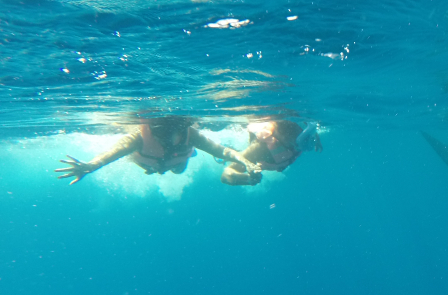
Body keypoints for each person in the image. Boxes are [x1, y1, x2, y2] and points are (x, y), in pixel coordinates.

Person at [55, 116, 261, 185]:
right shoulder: (138, 136)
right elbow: (113, 153)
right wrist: (90, 165)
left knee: (179, 169)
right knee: (173, 165)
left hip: (175, 159)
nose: (168, 134)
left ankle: (187, 154)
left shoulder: (192, 134)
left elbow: (223, 151)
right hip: (149, 162)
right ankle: (183, 156)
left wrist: (247, 162)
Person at [220, 120, 322, 186]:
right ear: (283, 137)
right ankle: (226, 152)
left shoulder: (298, 130)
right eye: (299, 141)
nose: (303, 145)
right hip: (265, 155)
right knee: (236, 154)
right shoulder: (260, 149)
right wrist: (247, 179)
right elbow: (225, 175)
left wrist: (316, 140)